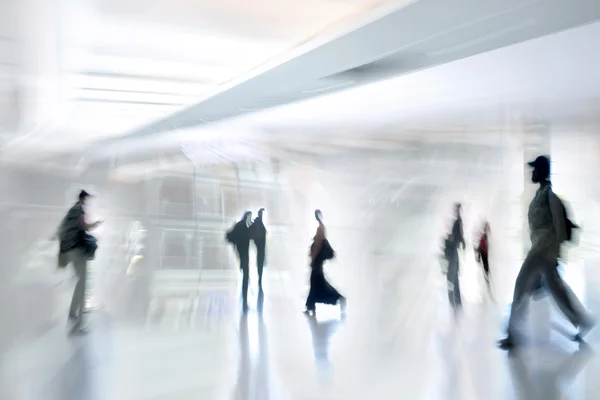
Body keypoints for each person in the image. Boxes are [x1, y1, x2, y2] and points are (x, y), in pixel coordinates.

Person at [498, 155, 594, 349]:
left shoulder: (550, 197)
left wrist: (556, 255)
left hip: (543, 251)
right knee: (558, 290)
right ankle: (582, 320)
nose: (532, 173)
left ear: (542, 171)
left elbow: (559, 227)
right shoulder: (540, 195)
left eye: (535, 170)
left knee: (520, 286)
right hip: (542, 251)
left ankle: (512, 334)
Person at [57, 190, 103, 330]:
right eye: (87, 200)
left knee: (80, 282)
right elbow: (84, 226)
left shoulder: (71, 211)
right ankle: (80, 322)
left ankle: (73, 312)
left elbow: (62, 229)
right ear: (83, 199)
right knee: (83, 284)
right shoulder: (80, 208)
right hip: (77, 249)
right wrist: (95, 224)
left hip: (69, 250)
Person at [305, 210, 346, 315]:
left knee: (317, 283)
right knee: (317, 283)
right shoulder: (321, 227)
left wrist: (313, 258)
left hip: (317, 261)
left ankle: (338, 298)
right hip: (318, 262)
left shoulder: (320, 229)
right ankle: (311, 306)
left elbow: (318, 245)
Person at [227, 211, 253, 309]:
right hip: (243, 254)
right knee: (246, 276)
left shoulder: (241, 225)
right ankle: (245, 299)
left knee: (245, 275)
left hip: (242, 253)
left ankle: (245, 298)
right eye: (250, 217)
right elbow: (246, 238)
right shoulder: (242, 226)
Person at [250, 208, 267, 289]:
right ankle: (259, 278)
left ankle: (259, 277)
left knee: (260, 261)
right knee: (260, 261)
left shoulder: (258, 225)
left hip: (260, 246)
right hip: (261, 246)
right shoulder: (259, 225)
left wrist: (260, 213)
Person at [475, 221, 492, 295]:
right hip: (484, 256)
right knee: (486, 272)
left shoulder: (485, 237)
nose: (488, 229)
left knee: (487, 272)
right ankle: (488, 287)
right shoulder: (484, 237)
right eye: (487, 228)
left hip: (485, 256)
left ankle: (488, 285)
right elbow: (481, 247)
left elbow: (481, 247)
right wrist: (478, 256)